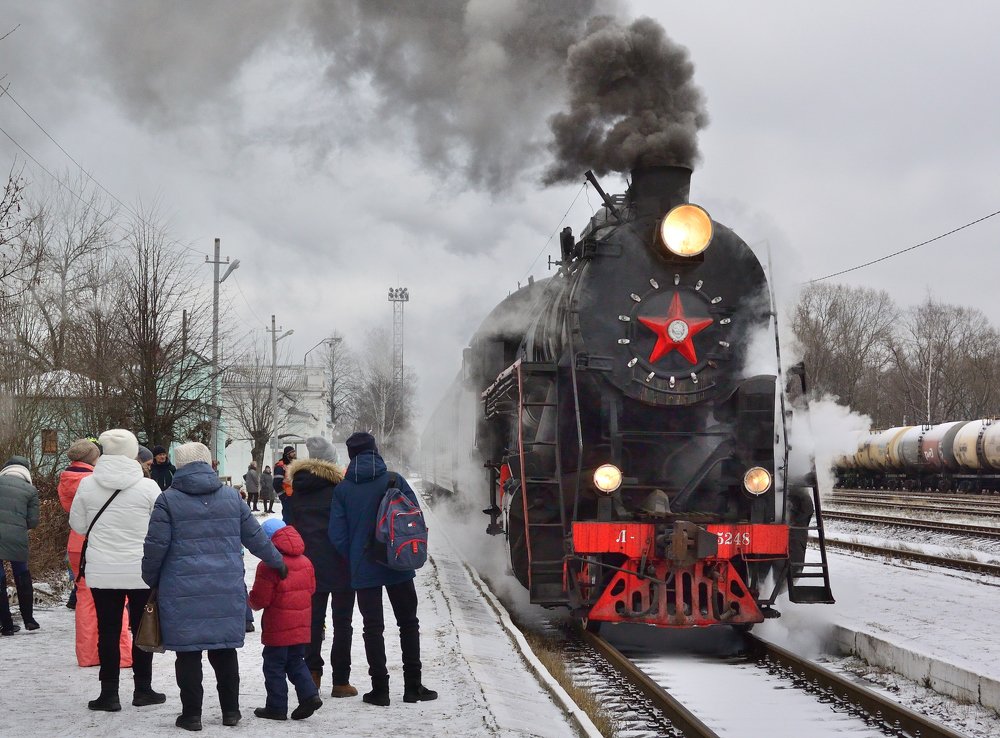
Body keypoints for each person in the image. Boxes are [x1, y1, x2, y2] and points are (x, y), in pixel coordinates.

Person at [142, 442, 287, 731]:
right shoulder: (232, 498)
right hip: (225, 587)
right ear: (208, 463)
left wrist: (151, 578)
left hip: (181, 590)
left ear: (179, 466)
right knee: (224, 650)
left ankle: (191, 715)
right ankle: (230, 712)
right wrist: (278, 562)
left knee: (188, 653)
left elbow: (156, 547)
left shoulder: (167, 500)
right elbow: (256, 537)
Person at [328, 432, 437, 706]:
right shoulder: (393, 479)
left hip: (364, 567)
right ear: (375, 450)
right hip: (397, 561)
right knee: (408, 623)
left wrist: (356, 554)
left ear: (351, 456)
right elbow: (413, 518)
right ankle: (413, 686)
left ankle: (380, 690)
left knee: (372, 628)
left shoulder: (342, 489)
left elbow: (336, 534)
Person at [69, 430, 164, 711]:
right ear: (134, 452)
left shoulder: (87, 485)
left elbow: (79, 526)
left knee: (108, 630)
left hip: (102, 570)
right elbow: (160, 529)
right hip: (140, 570)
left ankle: (109, 694)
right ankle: (143, 690)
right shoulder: (149, 487)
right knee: (142, 629)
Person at [288, 436, 355, 697]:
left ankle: (312, 675)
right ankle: (340, 681)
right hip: (340, 564)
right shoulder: (341, 489)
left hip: (308, 566)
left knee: (312, 622)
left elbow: (290, 526)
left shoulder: (297, 489)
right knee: (343, 623)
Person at [58, 439, 131, 667]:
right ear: (93, 458)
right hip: (100, 543)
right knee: (116, 597)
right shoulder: (94, 481)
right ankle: (123, 655)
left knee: (85, 599)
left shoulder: (66, 480)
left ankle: (88, 655)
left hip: (77, 544)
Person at [248, 519, 323, 721]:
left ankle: (276, 707)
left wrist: (249, 601)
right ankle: (310, 695)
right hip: (301, 626)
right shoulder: (306, 561)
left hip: (278, 626)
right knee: (296, 661)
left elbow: (260, 599)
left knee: (274, 666)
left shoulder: (269, 565)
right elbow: (312, 590)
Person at [0, 456, 40, 635]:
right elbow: (32, 522)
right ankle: (29, 619)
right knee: (22, 574)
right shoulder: (30, 491)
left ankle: (6, 625)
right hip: (17, 537)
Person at [273, 445, 296, 523]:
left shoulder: (293, 465)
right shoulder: (280, 466)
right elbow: (276, 483)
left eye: (294, 452)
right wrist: (283, 495)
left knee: (294, 517)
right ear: (287, 454)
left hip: (293, 495)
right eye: (292, 452)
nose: (294, 454)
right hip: (287, 496)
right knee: (288, 517)